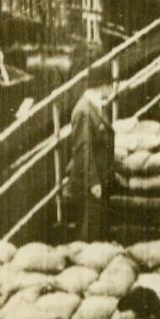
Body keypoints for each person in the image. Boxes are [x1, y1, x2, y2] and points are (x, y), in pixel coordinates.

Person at [68, 75, 115, 241]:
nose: (112, 89)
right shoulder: (84, 111)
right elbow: (83, 150)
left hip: (99, 179)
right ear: (102, 86)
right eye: (111, 84)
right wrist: (94, 181)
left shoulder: (95, 107)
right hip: (88, 183)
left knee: (98, 230)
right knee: (89, 233)